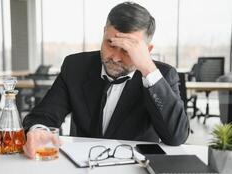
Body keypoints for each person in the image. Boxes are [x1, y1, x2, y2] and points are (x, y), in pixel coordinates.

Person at [23, 2, 189, 159]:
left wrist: (148, 70)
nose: (115, 57)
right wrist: (39, 130)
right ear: (103, 33)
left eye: (127, 49)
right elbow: (44, 115)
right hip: (82, 168)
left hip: (135, 171)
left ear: (147, 50)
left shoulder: (163, 76)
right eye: (110, 43)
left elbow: (176, 137)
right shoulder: (75, 67)